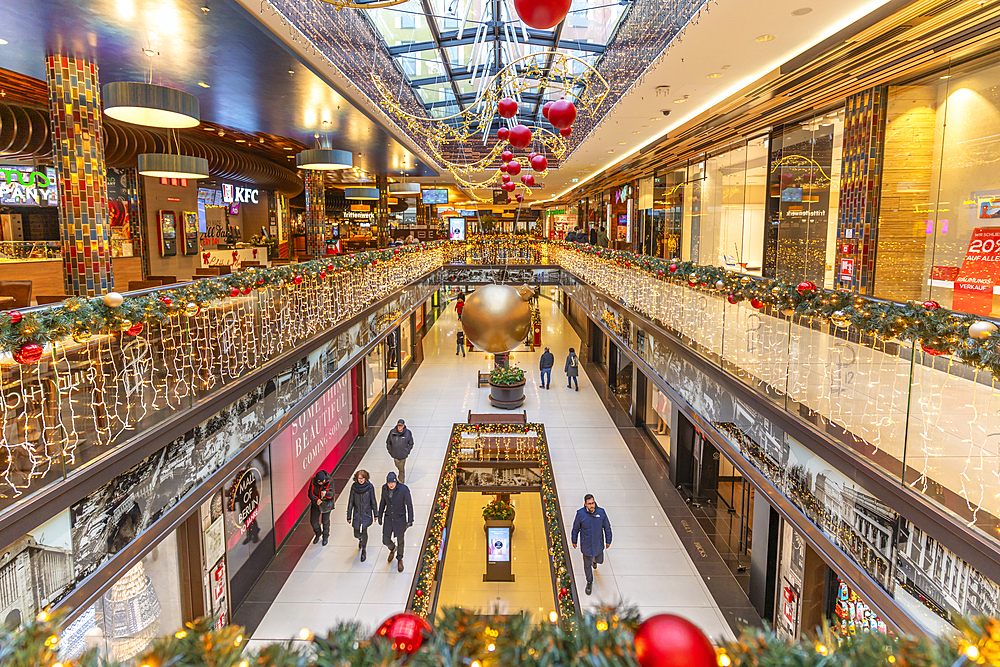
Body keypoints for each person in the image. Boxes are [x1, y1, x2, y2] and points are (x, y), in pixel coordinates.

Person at [571, 493, 613, 596]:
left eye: (593, 503)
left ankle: (595, 561)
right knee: (587, 565)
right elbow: (575, 528)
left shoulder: (601, 513)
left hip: (598, 544)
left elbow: (607, 527)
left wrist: (608, 540)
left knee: (599, 560)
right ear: (585, 504)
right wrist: (574, 540)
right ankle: (589, 582)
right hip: (586, 545)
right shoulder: (580, 514)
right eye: (589, 504)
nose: (592, 505)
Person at [378, 471, 413, 572]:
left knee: (400, 540)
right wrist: (379, 515)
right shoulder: (384, 489)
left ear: (396, 482)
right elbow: (382, 502)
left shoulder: (404, 489)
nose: (390, 485)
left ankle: (399, 559)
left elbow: (409, 505)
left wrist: (410, 519)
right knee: (385, 539)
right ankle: (393, 548)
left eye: (392, 483)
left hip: (400, 518)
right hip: (389, 516)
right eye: (389, 483)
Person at [346, 469, 377, 561]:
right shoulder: (354, 487)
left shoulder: (370, 487)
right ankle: (360, 539)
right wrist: (349, 515)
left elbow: (373, 501)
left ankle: (364, 549)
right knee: (356, 533)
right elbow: (350, 502)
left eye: (362, 478)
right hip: (357, 513)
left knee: (364, 531)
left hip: (366, 513)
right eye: (359, 478)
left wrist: (376, 514)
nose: (361, 480)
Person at [308, 470, 335, 546]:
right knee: (313, 522)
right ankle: (318, 533)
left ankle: (325, 536)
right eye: (319, 482)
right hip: (316, 504)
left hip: (326, 504)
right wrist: (316, 500)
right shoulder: (313, 481)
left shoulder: (330, 481)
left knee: (325, 521)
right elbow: (310, 493)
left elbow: (332, 494)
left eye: (322, 482)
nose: (321, 484)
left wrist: (326, 494)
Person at [386, 418, 414, 483]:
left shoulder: (408, 433)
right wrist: (390, 451)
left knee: (401, 469)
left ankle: (401, 481)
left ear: (403, 426)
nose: (399, 427)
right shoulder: (392, 432)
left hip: (403, 455)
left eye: (401, 426)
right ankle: (400, 477)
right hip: (395, 454)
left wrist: (407, 451)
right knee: (397, 465)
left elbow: (411, 443)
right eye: (398, 425)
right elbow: (388, 442)